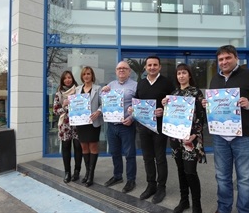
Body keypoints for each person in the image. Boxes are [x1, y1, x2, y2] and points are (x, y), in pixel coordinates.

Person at [202, 45, 249, 213]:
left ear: (236, 58)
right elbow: (217, 107)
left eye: (228, 58)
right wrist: (207, 105)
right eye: (220, 59)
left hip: (243, 136)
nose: (224, 62)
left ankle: (245, 210)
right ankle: (224, 208)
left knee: (245, 178)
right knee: (222, 177)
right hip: (220, 136)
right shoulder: (215, 79)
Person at [129, 56, 175, 204]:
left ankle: (161, 187)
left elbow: (176, 105)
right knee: (147, 157)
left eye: (155, 65)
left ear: (160, 67)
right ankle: (151, 185)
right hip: (144, 126)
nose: (152, 67)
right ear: (145, 68)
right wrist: (132, 109)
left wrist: (164, 110)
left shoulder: (167, 83)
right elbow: (136, 101)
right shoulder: (141, 83)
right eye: (149, 65)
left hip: (160, 127)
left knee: (160, 158)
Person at [162, 63, 206, 213]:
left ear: (189, 75)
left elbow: (201, 116)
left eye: (184, 73)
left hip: (190, 139)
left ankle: (197, 205)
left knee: (190, 172)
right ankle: (184, 200)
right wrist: (165, 106)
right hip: (175, 139)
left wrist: (195, 134)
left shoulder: (196, 93)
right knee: (180, 170)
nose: (181, 76)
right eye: (179, 73)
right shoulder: (173, 95)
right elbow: (169, 117)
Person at [102, 61, 137, 193]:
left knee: (129, 154)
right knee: (114, 152)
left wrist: (132, 118)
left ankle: (131, 180)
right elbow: (104, 102)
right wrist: (102, 92)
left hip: (126, 125)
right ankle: (117, 176)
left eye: (124, 68)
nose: (121, 70)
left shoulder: (135, 86)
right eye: (119, 68)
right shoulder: (111, 85)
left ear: (129, 71)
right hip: (111, 125)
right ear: (116, 71)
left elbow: (139, 105)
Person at [75, 66, 103, 187]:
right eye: (84, 74)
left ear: (92, 76)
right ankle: (86, 173)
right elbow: (73, 103)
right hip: (81, 123)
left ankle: (91, 175)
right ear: (82, 76)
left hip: (93, 123)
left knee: (93, 147)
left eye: (89, 74)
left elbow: (104, 104)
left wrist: (98, 111)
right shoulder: (77, 89)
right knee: (84, 148)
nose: (86, 76)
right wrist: (67, 103)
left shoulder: (98, 89)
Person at [53, 70, 83, 183]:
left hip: (77, 123)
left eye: (69, 77)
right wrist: (65, 107)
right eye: (65, 78)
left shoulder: (79, 91)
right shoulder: (59, 93)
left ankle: (77, 172)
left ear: (72, 78)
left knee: (78, 148)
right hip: (64, 124)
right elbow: (55, 110)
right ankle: (67, 173)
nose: (67, 80)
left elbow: (83, 105)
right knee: (65, 148)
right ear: (62, 80)